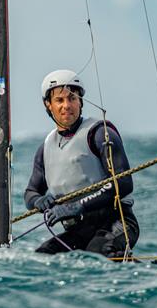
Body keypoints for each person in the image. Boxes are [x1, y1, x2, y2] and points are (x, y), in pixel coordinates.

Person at [25, 69, 139, 258]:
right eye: (59, 100)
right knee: (43, 256)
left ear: (81, 102)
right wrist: (38, 201)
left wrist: (78, 205)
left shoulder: (100, 133)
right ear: (48, 105)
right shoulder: (45, 149)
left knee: (97, 254)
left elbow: (124, 183)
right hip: (80, 230)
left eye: (72, 99)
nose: (67, 106)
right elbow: (30, 193)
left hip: (117, 221)